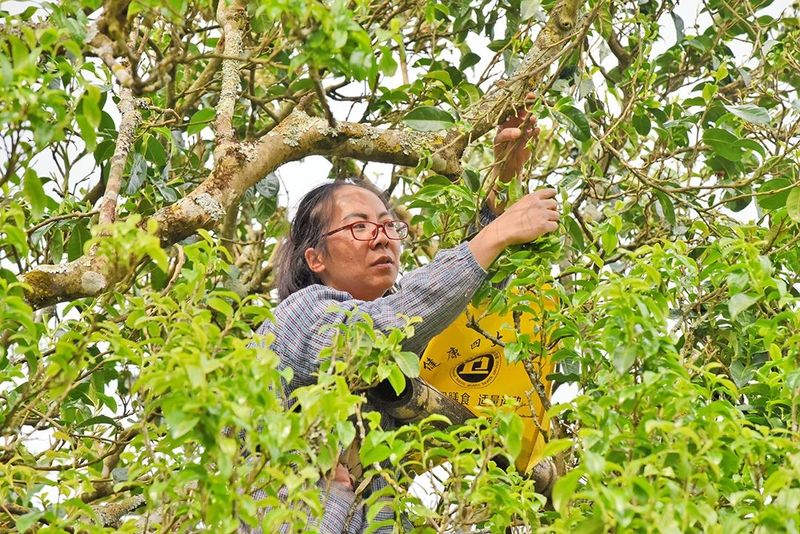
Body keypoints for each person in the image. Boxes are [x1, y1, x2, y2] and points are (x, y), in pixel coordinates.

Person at [248, 106, 559, 533]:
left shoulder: (402, 351)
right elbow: (383, 328)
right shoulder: (299, 317)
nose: (381, 238)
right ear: (315, 258)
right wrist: (496, 234)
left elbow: (451, 310)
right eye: (358, 227)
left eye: (388, 226)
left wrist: (500, 191)